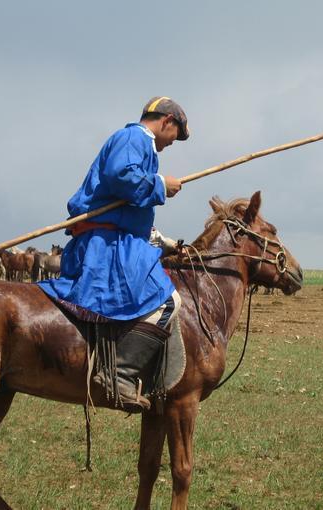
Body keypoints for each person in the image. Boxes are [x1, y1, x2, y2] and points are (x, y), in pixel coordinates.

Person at [38, 96, 189, 411]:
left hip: (115, 239)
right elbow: (122, 178)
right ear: (167, 122)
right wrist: (161, 185)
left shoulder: (142, 145)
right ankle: (119, 372)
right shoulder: (134, 137)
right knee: (166, 300)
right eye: (177, 134)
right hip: (107, 246)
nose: (174, 143)